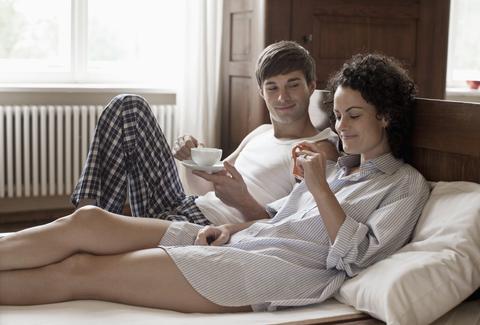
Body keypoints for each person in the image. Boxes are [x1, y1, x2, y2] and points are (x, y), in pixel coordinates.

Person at [0, 53, 430, 314]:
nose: (341, 126)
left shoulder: (404, 185)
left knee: (81, 269)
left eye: (352, 116)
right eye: (337, 116)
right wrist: (230, 228)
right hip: (239, 240)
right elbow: (275, 218)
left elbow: (355, 256)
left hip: (270, 271)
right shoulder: (338, 169)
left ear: (386, 115)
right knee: (88, 221)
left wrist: (318, 187)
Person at [71, 40, 339, 226]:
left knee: (99, 234)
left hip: (205, 224)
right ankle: (88, 213)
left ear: (311, 86)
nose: (282, 96)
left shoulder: (318, 150)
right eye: (272, 87)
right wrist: (192, 160)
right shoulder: (260, 132)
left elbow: (295, 228)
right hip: (184, 205)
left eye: (293, 85)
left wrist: (244, 202)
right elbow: (203, 189)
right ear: (261, 92)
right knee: (128, 106)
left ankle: (91, 227)